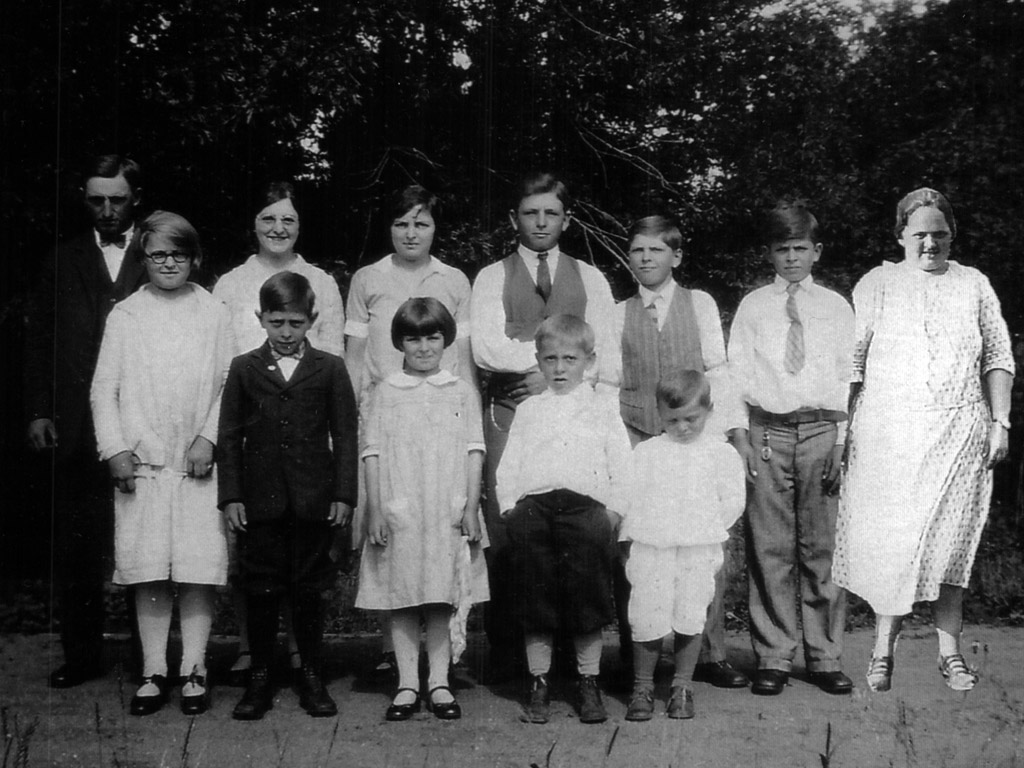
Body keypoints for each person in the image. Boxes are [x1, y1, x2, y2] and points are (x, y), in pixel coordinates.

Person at [833, 188, 1014, 693]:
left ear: (952, 235)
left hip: (959, 432)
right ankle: (881, 652)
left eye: (939, 233)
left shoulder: (973, 283)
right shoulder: (879, 283)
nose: (930, 243)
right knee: (896, 545)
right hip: (889, 434)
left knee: (952, 543)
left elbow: (997, 356)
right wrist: (844, 430)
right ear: (900, 237)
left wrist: (1000, 421)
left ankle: (950, 654)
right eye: (919, 235)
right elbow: (852, 360)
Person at [470, 171, 619, 680]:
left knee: (574, 531)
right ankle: (513, 653)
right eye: (530, 213)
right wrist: (538, 370)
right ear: (515, 218)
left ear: (566, 219)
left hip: (573, 413)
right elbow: (486, 346)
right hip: (511, 414)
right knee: (512, 529)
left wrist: (549, 376)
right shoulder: (493, 276)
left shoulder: (591, 279)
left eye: (550, 213)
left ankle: (571, 658)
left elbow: (604, 355)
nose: (540, 222)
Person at [90, 211, 233, 715]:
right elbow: (103, 389)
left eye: (179, 254)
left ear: (194, 258)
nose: (169, 263)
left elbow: (225, 383)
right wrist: (116, 449)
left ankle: (194, 667)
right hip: (144, 464)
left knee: (196, 567)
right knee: (149, 569)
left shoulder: (213, 311)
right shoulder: (126, 314)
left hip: (197, 465)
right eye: (157, 255)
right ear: (143, 259)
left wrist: (208, 439)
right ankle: (154, 669)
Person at [24, 154, 148, 688]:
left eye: (116, 200)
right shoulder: (62, 259)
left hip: (143, 420)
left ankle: (152, 661)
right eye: (96, 200)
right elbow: (39, 341)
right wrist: (39, 409)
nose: (106, 210)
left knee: (146, 545)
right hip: (76, 424)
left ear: (134, 199)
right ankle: (81, 657)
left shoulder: (162, 253)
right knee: (78, 547)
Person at [345, 186, 478, 680]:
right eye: (402, 224)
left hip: (442, 416)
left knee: (441, 534)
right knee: (389, 536)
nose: (411, 233)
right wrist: (354, 418)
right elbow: (355, 358)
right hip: (386, 415)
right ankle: (391, 653)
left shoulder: (454, 280)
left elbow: (462, 364)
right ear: (389, 229)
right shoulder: (367, 279)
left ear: (435, 228)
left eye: (420, 223)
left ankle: (447, 658)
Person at [213, 181, 345, 682]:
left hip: (306, 439)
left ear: (300, 226)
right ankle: (253, 651)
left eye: (287, 219)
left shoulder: (321, 283)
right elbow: (223, 367)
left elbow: (327, 364)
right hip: (255, 438)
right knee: (258, 560)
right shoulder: (230, 284)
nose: (278, 228)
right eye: (268, 218)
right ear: (253, 224)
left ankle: (300, 653)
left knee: (304, 561)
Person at [613, 215, 748, 689]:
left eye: (656, 250)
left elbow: (719, 368)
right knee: (645, 553)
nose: (646, 258)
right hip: (637, 436)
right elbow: (609, 381)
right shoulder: (618, 311)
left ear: (677, 256)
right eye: (637, 250)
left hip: (697, 435)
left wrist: (732, 433)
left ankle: (708, 654)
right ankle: (640, 658)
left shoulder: (701, 304)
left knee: (699, 548)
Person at [218, 272, 358, 720]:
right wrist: (232, 496)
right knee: (260, 589)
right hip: (260, 503)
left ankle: (311, 673)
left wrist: (344, 494)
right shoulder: (244, 367)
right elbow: (229, 435)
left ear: (311, 320)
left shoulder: (331, 367)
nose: (285, 332)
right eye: (276, 321)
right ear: (260, 317)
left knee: (309, 590)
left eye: (295, 323)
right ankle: (259, 675)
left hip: (313, 501)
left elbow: (346, 435)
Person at [728, 202, 854, 696]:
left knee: (823, 549)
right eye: (782, 249)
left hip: (822, 430)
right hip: (768, 433)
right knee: (770, 548)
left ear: (816, 251)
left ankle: (824, 656)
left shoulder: (835, 306)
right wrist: (741, 435)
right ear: (770, 253)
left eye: (800, 248)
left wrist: (843, 443)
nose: (791, 257)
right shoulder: (755, 306)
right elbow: (736, 375)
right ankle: (774, 655)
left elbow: (850, 377)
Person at [355, 298, 488, 721]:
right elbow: (372, 452)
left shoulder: (461, 390)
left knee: (441, 594)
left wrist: (469, 506)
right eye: (413, 338)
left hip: (447, 505)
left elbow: (474, 449)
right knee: (404, 594)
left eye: (432, 337)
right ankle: (408, 682)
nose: (424, 347)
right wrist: (375, 509)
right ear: (399, 343)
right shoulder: (387, 391)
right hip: (402, 505)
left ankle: (440, 681)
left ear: (445, 340)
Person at [496, 314, 631, 725]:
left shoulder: (602, 407)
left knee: (586, 598)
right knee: (537, 599)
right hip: (535, 511)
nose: (559, 368)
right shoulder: (530, 410)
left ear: (588, 361)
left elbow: (621, 465)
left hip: (586, 512)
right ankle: (540, 682)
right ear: (537, 361)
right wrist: (510, 510)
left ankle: (588, 681)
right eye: (550, 359)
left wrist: (610, 514)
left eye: (569, 359)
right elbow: (511, 463)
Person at [623, 371, 745, 721]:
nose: (683, 427)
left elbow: (733, 500)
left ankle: (682, 686)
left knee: (691, 613)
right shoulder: (647, 452)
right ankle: (643, 686)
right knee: (647, 613)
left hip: (697, 546)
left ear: (708, 410)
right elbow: (630, 496)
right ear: (660, 415)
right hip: (653, 545)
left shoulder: (720, 453)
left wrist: (707, 528)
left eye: (691, 418)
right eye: (673, 420)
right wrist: (630, 538)